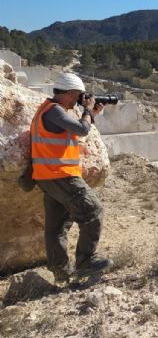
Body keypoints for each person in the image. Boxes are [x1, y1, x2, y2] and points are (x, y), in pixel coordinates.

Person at [30, 72, 112, 282]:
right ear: (69, 93)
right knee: (93, 211)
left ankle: (61, 271)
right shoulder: (55, 111)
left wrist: (91, 113)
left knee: (57, 226)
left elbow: (74, 131)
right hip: (60, 175)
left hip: (48, 176)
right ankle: (86, 262)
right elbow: (82, 130)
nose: (79, 99)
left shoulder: (48, 110)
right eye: (78, 95)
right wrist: (86, 110)